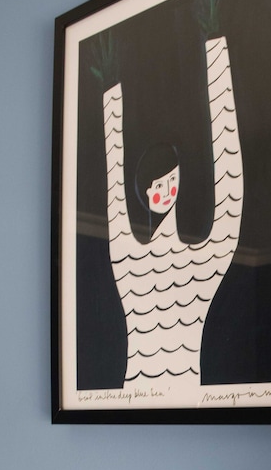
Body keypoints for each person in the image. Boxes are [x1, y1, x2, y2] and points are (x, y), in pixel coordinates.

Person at [102, 35, 243, 387]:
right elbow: (115, 192)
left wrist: (216, 54)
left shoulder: (204, 259)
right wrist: (111, 101)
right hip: (135, 387)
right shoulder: (127, 259)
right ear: (146, 193)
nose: (165, 191)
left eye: (171, 182)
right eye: (157, 186)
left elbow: (230, 193)